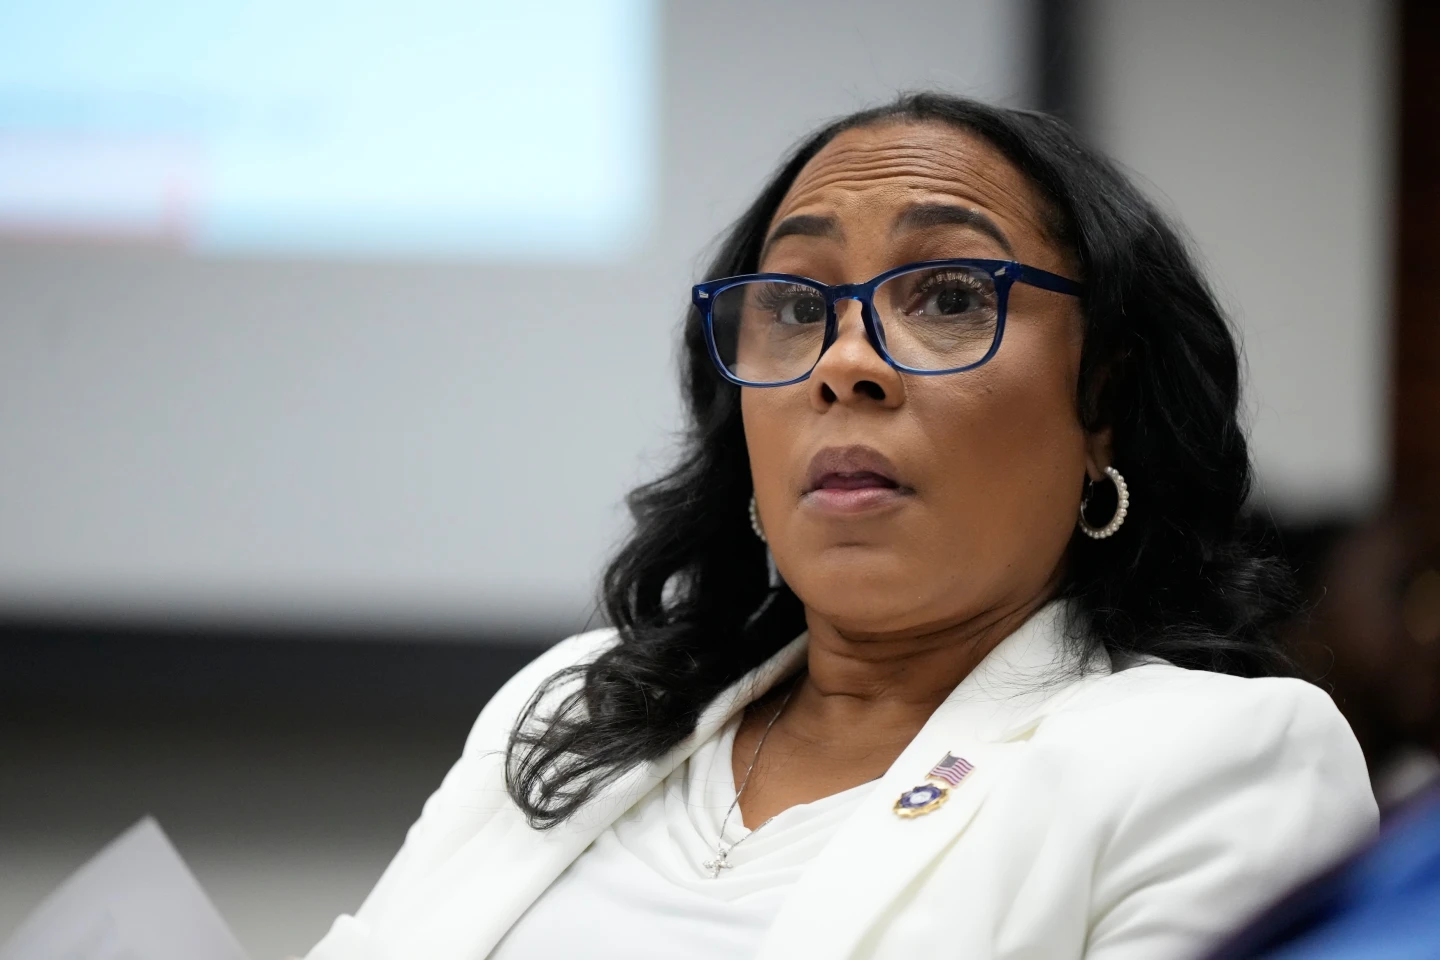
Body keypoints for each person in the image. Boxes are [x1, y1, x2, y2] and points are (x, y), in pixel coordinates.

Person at [304, 93, 1376, 960]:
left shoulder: (1221, 760)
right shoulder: (577, 705)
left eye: (949, 295)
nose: (845, 363)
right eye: (796, 305)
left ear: (1103, 401)